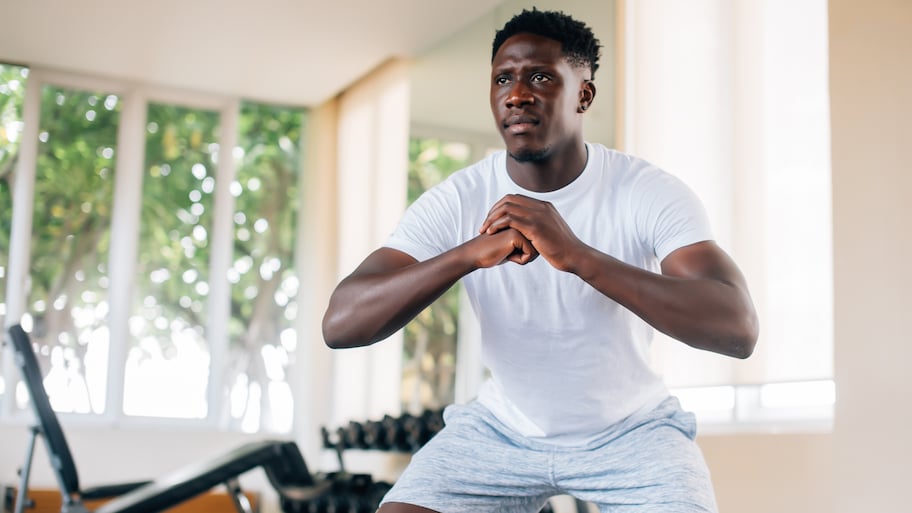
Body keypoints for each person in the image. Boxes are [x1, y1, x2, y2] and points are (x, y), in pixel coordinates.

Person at [322, 8, 758, 513]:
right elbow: (340, 323)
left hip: (633, 434)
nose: (517, 93)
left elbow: (737, 328)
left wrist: (575, 255)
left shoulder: (645, 191)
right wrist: (466, 255)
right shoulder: (460, 198)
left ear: (584, 95)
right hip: (501, 431)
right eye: (503, 78)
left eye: (542, 77)